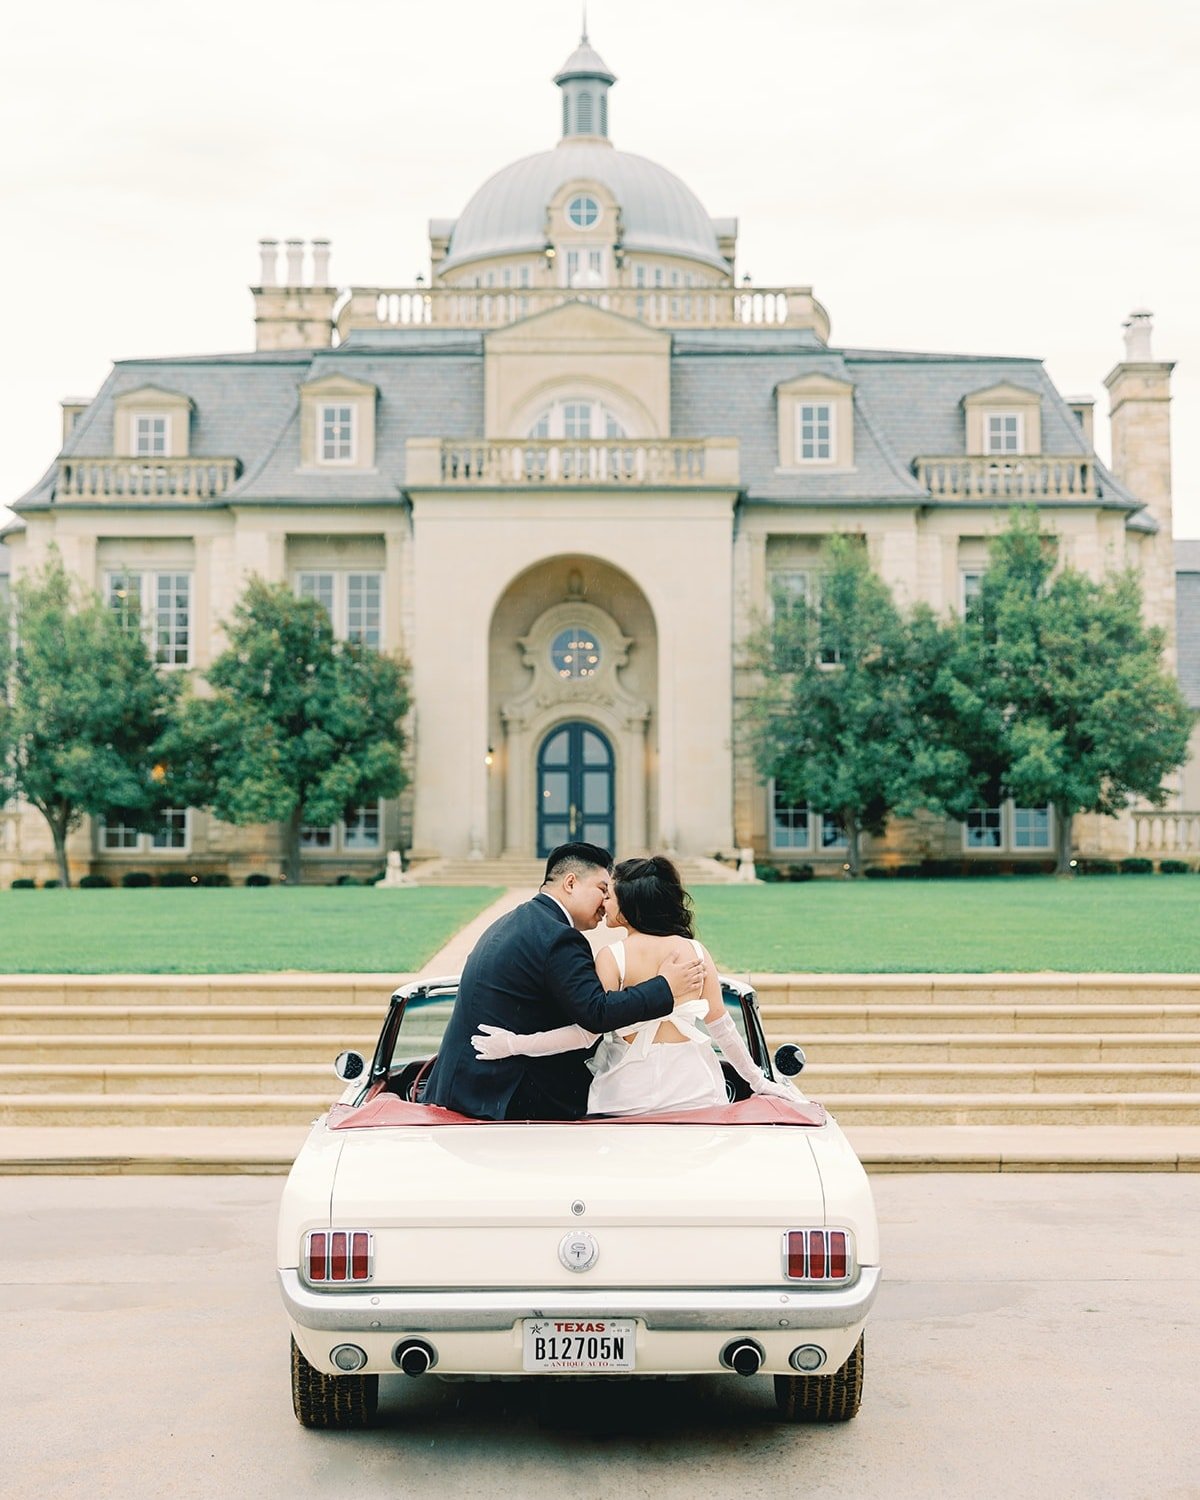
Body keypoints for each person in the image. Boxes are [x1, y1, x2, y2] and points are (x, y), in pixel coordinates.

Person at [471, 855, 798, 1115]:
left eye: (610, 896)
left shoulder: (611, 957)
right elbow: (723, 1029)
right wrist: (757, 1081)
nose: (604, 903)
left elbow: (585, 1034)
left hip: (626, 1092)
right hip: (692, 1088)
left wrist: (515, 1045)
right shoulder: (695, 952)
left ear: (630, 906)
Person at [423, 843, 705, 1121]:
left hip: (469, 1087)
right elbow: (597, 1013)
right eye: (602, 889)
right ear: (570, 883)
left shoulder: (516, 921)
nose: (606, 903)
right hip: (509, 1095)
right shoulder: (558, 937)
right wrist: (665, 986)